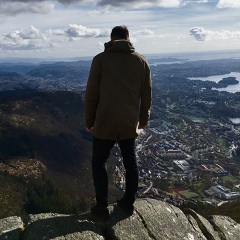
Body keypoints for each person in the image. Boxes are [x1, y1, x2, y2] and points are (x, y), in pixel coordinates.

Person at [85, 25, 152, 219]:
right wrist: (143, 120)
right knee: (130, 162)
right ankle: (128, 202)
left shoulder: (100, 60)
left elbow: (92, 94)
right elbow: (146, 95)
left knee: (99, 162)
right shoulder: (141, 62)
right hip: (128, 121)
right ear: (129, 38)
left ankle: (102, 206)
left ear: (111, 38)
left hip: (104, 120)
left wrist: (90, 119)